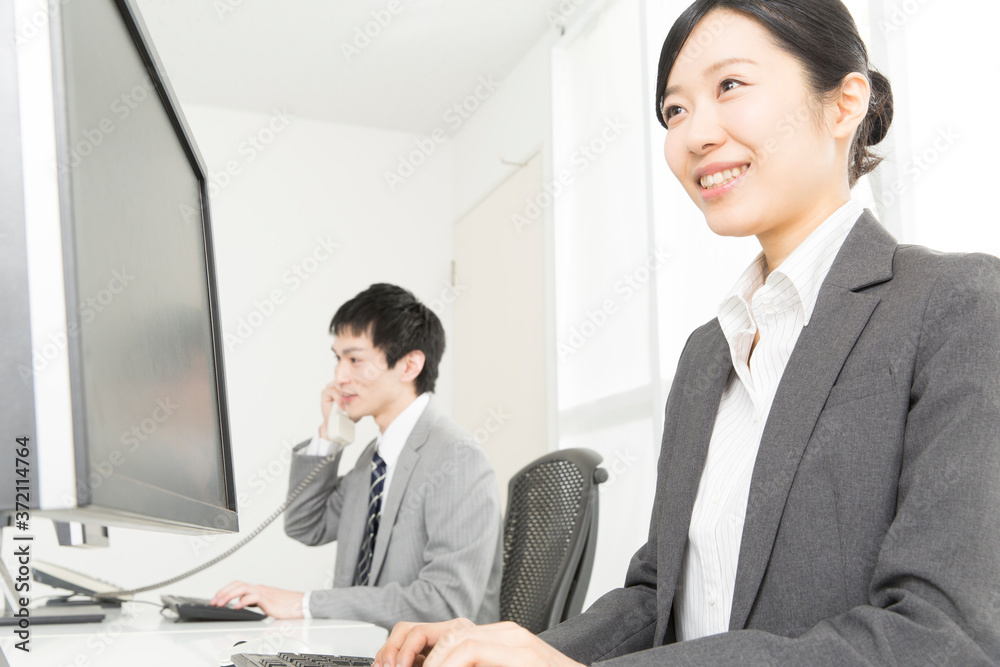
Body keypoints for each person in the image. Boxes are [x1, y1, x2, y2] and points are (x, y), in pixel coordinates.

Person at [372, 0, 1000, 664]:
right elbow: (656, 595)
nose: (694, 134)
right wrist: (513, 649)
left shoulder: (956, 305)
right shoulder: (707, 353)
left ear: (845, 103)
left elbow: (941, 638)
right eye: (674, 110)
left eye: (730, 85)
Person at [212, 283, 503, 630]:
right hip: (363, 647)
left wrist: (305, 604)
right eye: (338, 359)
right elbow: (307, 524)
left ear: (409, 366)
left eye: (355, 360)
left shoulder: (457, 458)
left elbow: (444, 605)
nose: (339, 377)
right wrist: (329, 436)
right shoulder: (375, 459)